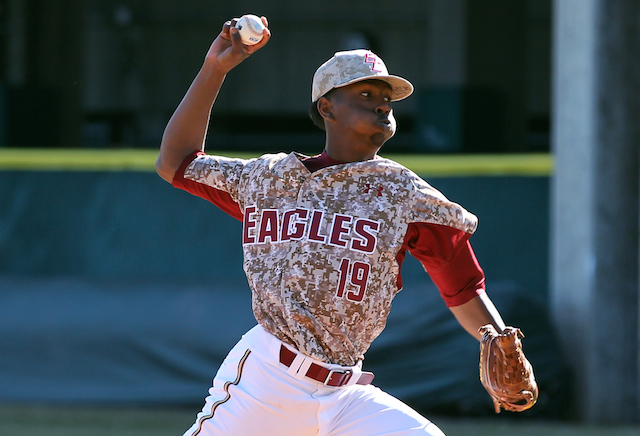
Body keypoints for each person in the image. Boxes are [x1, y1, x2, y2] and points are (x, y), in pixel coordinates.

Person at [156, 15, 508, 436]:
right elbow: (175, 161)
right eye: (365, 93)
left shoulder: (404, 194)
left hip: (345, 395)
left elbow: (463, 285)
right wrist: (215, 69)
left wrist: (498, 338)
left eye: (387, 98)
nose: (381, 103)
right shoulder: (270, 179)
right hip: (267, 381)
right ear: (327, 107)